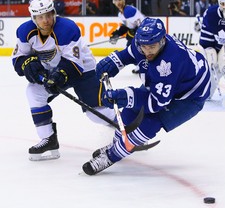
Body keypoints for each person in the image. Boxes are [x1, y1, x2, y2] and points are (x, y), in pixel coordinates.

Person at [82, 17, 211, 175]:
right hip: (173, 82)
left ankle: (111, 156)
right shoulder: (143, 41)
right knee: (130, 111)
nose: (147, 51)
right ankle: (116, 144)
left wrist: (124, 96)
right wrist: (114, 61)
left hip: (190, 96)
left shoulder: (170, 63)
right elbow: (128, 54)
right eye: (144, 46)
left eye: (152, 46)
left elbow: (155, 104)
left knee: (151, 123)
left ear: (162, 40)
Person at [11, 0, 115, 161]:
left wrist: (59, 76)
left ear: (54, 12)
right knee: (33, 92)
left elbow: (74, 64)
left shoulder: (67, 28)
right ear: (34, 18)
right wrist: (28, 64)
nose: (45, 20)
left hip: (83, 71)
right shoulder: (25, 31)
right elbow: (18, 58)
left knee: (95, 114)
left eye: (48, 14)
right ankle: (48, 139)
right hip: (53, 72)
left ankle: (122, 125)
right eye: (40, 17)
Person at [110, 0, 145, 74]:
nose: (118, 2)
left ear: (123, 0)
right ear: (113, 2)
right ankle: (141, 65)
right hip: (137, 33)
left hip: (142, 33)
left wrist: (133, 34)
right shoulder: (120, 14)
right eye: (116, 0)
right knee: (130, 49)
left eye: (120, 0)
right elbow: (128, 26)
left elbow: (140, 25)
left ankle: (143, 66)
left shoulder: (129, 11)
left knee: (131, 49)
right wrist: (117, 33)